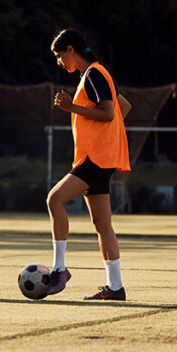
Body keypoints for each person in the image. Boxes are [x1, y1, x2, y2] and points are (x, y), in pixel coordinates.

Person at [45, 28, 133, 300]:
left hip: (95, 159)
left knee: (54, 200)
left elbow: (108, 112)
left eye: (60, 56)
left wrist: (71, 108)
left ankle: (60, 269)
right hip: (102, 158)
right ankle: (116, 287)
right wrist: (106, 135)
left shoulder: (93, 74)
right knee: (102, 225)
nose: (60, 62)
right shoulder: (95, 74)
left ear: (72, 50)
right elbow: (124, 107)